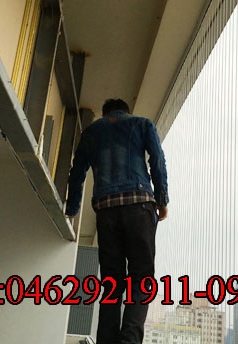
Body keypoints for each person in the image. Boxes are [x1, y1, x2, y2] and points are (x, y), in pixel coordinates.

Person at [65, 98, 169, 344]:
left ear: (105, 114)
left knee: (112, 282)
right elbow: (157, 160)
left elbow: (77, 172)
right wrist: (162, 199)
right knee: (141, 279)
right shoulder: (142, 124)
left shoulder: (91, 132)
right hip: (139, 206)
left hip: (106, 210)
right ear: (126, 111)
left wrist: (72, 209)